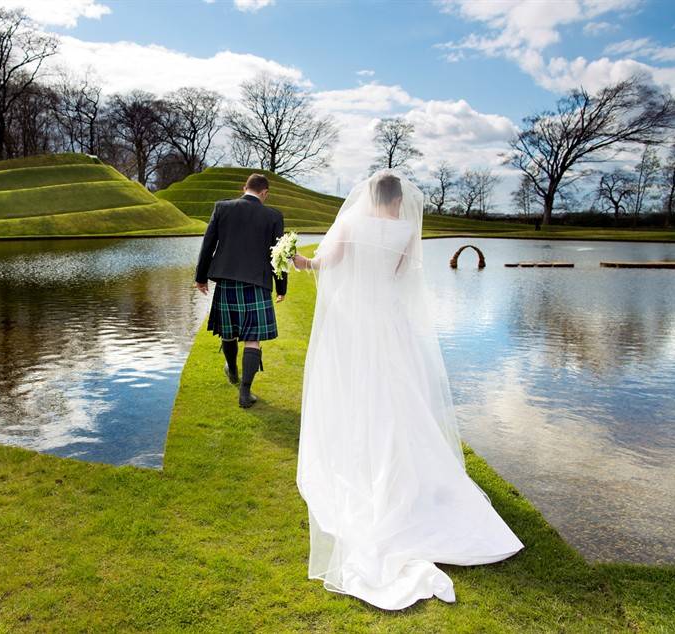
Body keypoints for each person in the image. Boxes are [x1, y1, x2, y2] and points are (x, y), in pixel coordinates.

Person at [291, 170, 523, 610]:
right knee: (398, 398)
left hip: (355, 322)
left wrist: (303, 262)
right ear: (398, 199)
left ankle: (364, 463)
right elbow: (403, 275)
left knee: (359, 393)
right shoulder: (406, 230)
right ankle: (406, 468)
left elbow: (330, 262)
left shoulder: (353, 223)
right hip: (390, 321)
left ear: (370, 195)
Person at [195, 173, 287, 408]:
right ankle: (245, 393)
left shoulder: (222, 208)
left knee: (229, 331)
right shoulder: (273, 216)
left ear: (243, 187)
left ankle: (233, 370)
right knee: (252, 339)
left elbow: (208, 244)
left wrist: (201, 277)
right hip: (257, 283)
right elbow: (279, 255)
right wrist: (281, 287)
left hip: (226, 281)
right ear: (264, 193)